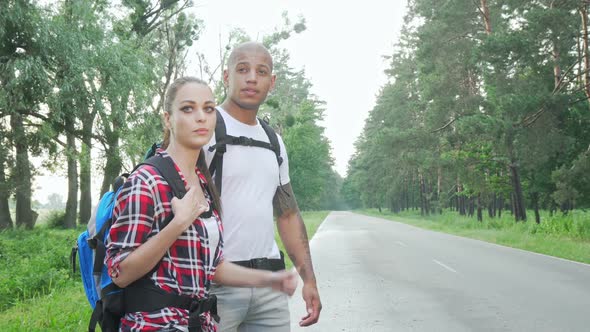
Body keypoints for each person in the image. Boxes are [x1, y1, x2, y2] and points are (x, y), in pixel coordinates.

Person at [106, 76, 297, 332]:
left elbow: (213, 268)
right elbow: (119, 273)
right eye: (188, 108)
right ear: (167, 119)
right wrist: (178, 223)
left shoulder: (204, 185)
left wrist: (271, 280)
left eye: (208, 109)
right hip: (155, 325)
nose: (201, 117)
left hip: (199, 324)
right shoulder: (147, 181)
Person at [205, 42, 322, 331]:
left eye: (261, 71)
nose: (252, 78)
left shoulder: (274, 141)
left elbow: (288, 214)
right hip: (215, 287)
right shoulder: (204, 127)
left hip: (270, 287)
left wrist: (309, 280)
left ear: (272, 81)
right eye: (242, 69)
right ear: (226, 76)